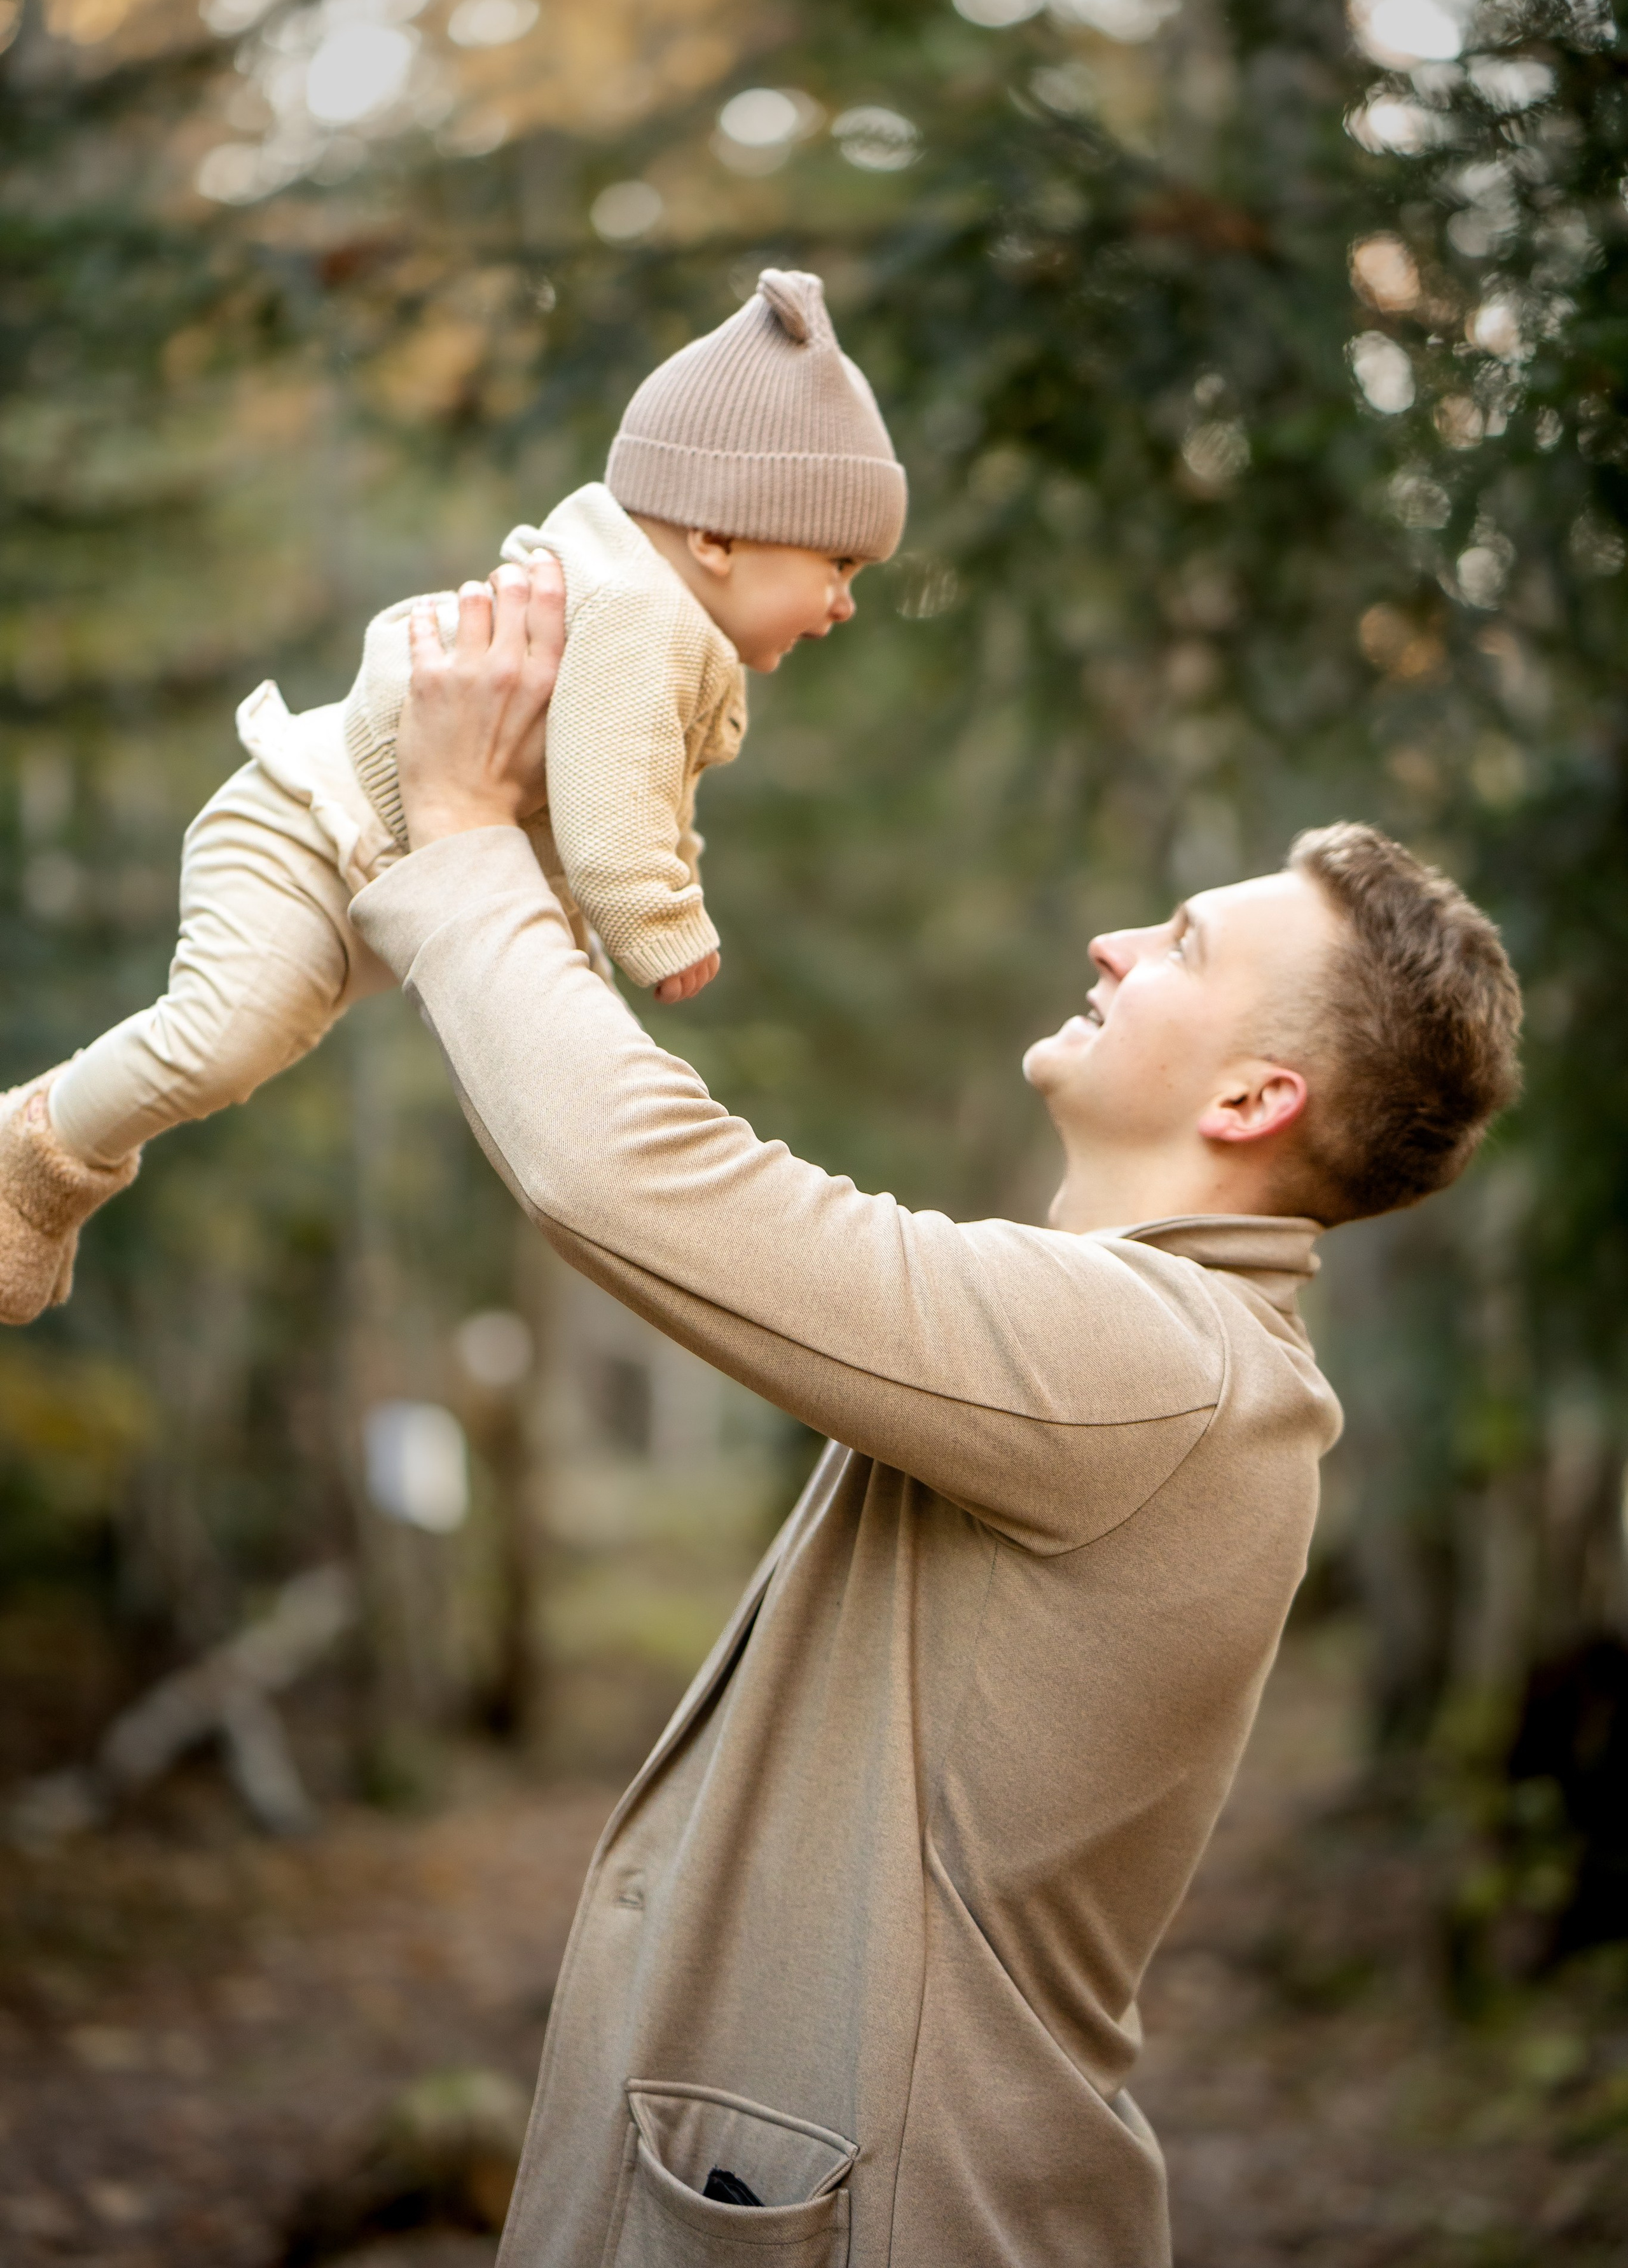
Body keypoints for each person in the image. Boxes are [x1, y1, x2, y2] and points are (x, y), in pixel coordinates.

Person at [340, 561, 1521, 2265]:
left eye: (1181, 943)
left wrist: (461, 836)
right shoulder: (1159, 1346)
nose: (1115, 941)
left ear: (1260, 1096)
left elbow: (641, 1183)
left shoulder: (1162, 1363)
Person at [0, 268, 902, 1326]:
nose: (844, 604)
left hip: (365, 876)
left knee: (280, 1047)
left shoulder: (672, 635)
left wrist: (628, 925)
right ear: (718, 537)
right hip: (303, 830)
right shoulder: (634, 617)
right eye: (838, 564)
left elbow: (653, 804)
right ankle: (33, 1153)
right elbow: (615, 820)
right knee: (225, 1035)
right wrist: (663, 928)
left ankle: (43, 1170)